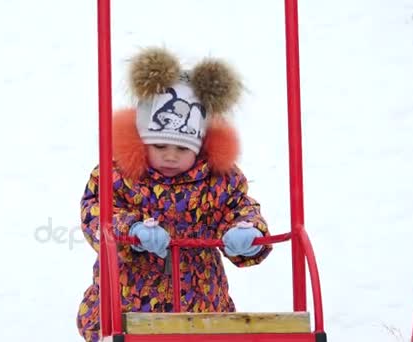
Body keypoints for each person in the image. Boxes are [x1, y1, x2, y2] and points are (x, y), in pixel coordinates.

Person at [76, 47, 272, 341]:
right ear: (143, 142)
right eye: (160, 147)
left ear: (199, 147)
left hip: (200, 306)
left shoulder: (216, 182)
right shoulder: (120, 177)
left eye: (181, 149)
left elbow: (239, 207)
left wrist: (247, 232)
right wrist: (131, 229)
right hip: (130, 305)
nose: (170, 157)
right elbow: (96, 213)